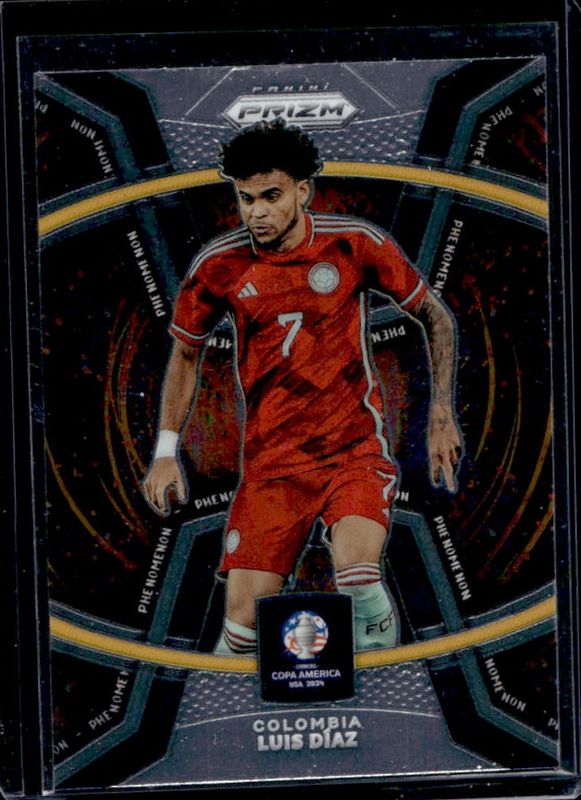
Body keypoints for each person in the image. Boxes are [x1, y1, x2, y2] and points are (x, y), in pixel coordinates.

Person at [142, 120, 462, 655]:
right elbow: (186, 354)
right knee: (239, 633)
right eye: (246, 199)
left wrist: (441, 416)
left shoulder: (354, 244)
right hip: (271, 468)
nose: (257, 213)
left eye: (271, 196)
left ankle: (379, 664)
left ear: (302, 191)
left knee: (358, 575)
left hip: (351, 453)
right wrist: (165, 452)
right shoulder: (218, 267)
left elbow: (436, 317)